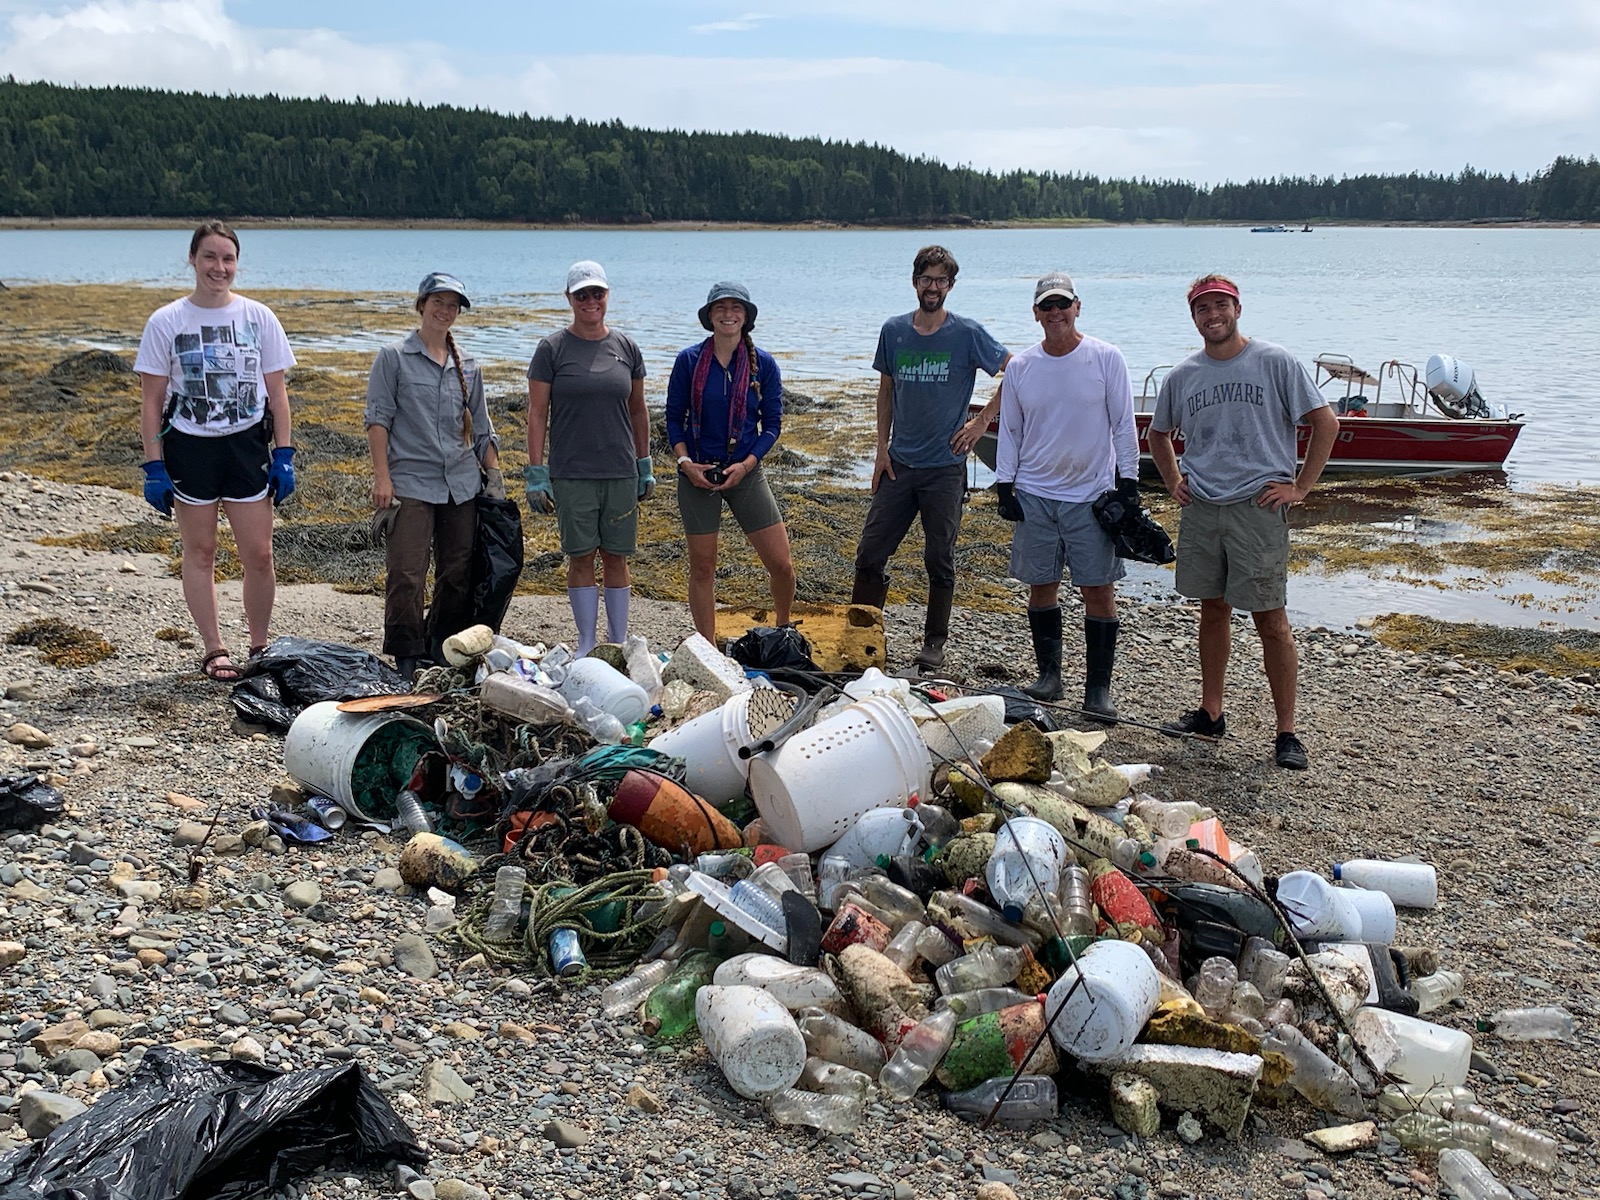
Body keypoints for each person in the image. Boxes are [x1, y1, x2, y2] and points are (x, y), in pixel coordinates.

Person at [1148, 274, 1338, 770]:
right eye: (1202, 308)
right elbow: (1158, 433)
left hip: (1259, 507)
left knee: (1270, 618)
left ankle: (1287, 732)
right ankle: (1212, 714)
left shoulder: (1274, 362)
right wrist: (1173, 481)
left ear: (1237, 308)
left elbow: (1326, 423)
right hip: (1203, 507)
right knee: (1212, 610)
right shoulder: (1184, 375)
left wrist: (1299, 487)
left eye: (1220, 306)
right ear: (1193, 317)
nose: (1212, 315)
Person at [135, 220, 295, 681]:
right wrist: (154, 466)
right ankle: (214, 649)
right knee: (201, 551)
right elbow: (150, 400)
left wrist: (284, 454)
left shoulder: (258, 317)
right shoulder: (166, 321)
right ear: (192, 259)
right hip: (189, 448)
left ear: (236, 264)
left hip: (247, 446)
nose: (218, 267)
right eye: (210, 257)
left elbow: (278, 394)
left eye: (227, 259)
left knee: (259, 555)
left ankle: (260, 647)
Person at [851, 245, 1010, 676]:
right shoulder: (894, 331)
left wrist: (980, 424)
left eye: (941, 280)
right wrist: (881, 450)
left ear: (951, 286)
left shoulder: (966, 333)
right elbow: (886, 393)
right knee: (870, 554)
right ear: (915, 282)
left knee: (939, 556)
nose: (933, 287)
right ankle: (862, 638)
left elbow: (1016, 371)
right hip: (899, 463)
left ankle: (933, 644)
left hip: (945, 467)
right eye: (927, 278)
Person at [993, 272, 1137, 719]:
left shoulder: (1106, 358)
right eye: (1046, 306)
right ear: (1036, 313)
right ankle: (1049, 677)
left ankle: (1098, 692)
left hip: (1090, 495)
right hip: (1035, 493)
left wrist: (1128, 483)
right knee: (1042, 586)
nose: (1055, 313)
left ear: (1078, 307)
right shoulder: (1021, 368)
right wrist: (1004, 484)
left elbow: (1123, 424)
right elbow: (1011, 430)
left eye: (1062, 304)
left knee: (1098, 588)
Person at [365, 272, 503, 681]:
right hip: (410, 481)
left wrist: (493, 476)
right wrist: (381, 478)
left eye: (453, 305)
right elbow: (377, 421)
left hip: (461, 483)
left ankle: (441, 647)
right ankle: (406, 653)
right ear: (421, 305)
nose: (445, 311)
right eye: (438, 302)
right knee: (406, 571)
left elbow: (482, 429)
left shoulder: (470, 366)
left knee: (457, 571)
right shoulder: (393, 357)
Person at [525, 261, 653, 656]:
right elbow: (537, 413)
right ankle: (585, 642)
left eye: (597, 293)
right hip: (572, 473)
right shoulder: (551, 350)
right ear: (569, 299)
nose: (590, 301)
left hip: (619, 471)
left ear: (607, 296)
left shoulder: (626, 347)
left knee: (616, 556)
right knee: (580, 556)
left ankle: (616, 640)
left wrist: (644, 464)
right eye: (582, 295)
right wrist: (536, 473)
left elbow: (638, 409)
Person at [665, 282, 796, 642]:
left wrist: (747, 465)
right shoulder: (688, 361)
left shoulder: (763, 365)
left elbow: (772, 425)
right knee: (703, 567)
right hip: (696, 473)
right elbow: (673, 419)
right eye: (720, 308)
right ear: (709, 316)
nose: (728, 314)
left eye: (735, 308)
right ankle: (707, 649)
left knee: (781, 564)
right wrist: (686, 463)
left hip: (746, 471)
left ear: (746, 317)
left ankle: (783, 631)